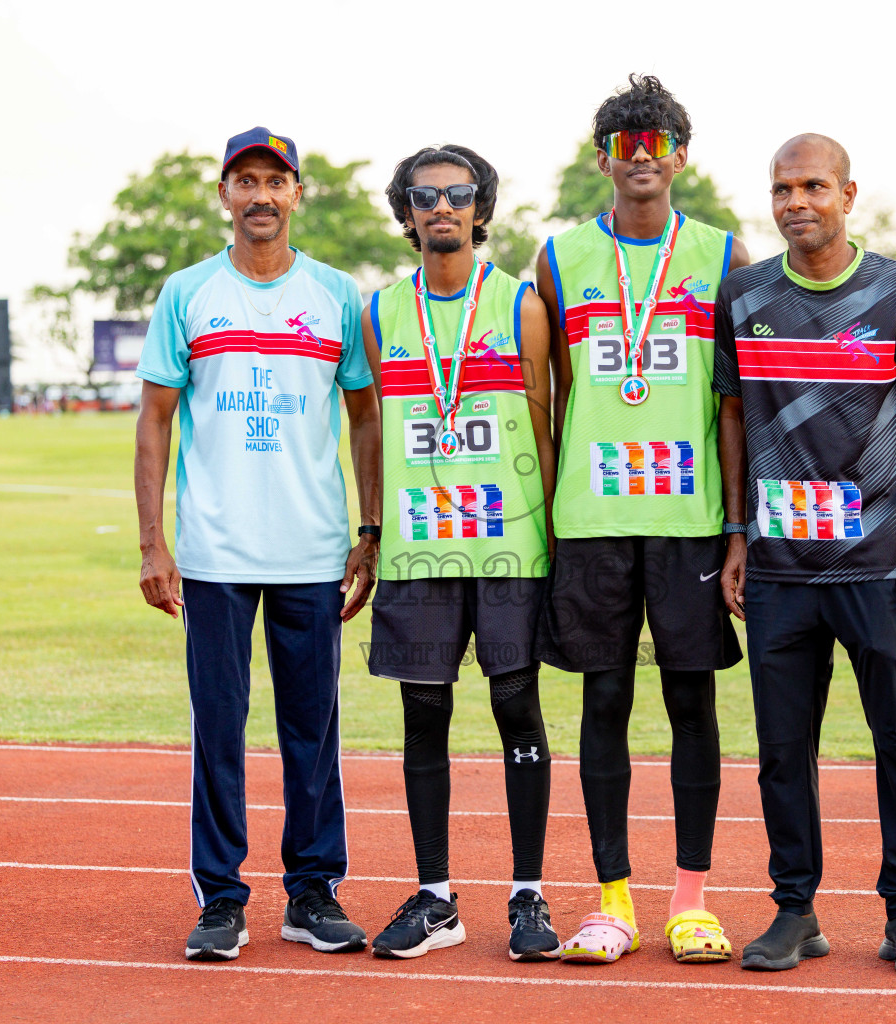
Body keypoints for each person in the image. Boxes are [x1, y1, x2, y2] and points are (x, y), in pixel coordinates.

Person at [134, 125, 382, 962]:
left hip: (313, 551)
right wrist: (152, 543)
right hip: (213, 554)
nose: (261, 196)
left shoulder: (339, 295)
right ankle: (221, 900)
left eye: (276, 181)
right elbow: (156, 421)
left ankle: (312, 894)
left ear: (298, 194)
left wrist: (370, 528)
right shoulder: (188, 292)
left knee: (313, 730)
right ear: (226, 195)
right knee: (219, 728)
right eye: (246, 181)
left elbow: (365, 417)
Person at [714, 134, 896, 976]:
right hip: (779, 569)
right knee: (783, 749)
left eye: (813, 186)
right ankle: (795, 910)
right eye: (782, 189)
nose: (795, 203)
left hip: (881, 567)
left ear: (849, 194)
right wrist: (737, 534)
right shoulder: (742, 298)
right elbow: (734, 418)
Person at [535, 73, 752, 966]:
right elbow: (544, 400)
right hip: (591, 520)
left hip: (689, 516)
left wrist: (738, 524)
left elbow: (735, 400)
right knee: (605, 699)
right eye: (626, 146)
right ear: (602, 159)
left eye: (656, 144)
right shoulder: (556, 260)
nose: (641, 159)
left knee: (690, 700)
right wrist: (543, 517)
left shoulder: (725, 256)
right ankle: (612, 900)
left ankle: (692, 901)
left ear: (681, 157)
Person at [361, 145, 561, 962]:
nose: (441, 206)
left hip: (510, 549)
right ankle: (437, 897)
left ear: (482, 209)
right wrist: (371, 532)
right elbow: (370, 428)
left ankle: (528, 894)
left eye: (458, 193)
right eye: (424, 194)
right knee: (424, 714)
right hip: (418, 553)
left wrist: (557, 542)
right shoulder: (379, 314)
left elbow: (547, 420)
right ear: (405, 212)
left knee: (516, 704)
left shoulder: (521, 306)